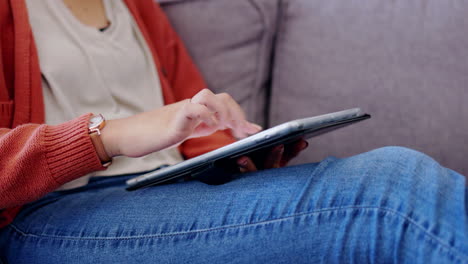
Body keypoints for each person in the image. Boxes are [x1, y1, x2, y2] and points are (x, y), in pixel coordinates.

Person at [0, 0, 466, 263]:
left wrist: (238, 154)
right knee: (384, 197)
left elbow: (193, 125)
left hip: (165, 188)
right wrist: (110, 135)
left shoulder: (134, 8)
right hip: (49, 214)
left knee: (393, 180)